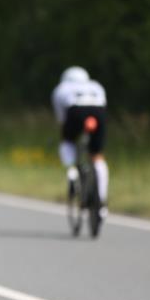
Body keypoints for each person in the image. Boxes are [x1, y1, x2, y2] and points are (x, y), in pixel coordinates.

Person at [51, 66, 108, 218]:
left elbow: (61, 119)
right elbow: (103, 104)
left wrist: (67, 132)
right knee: (97, 156)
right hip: (98, 113)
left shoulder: (61, 88)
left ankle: (71, 170)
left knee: (67, 142)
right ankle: (101, 202)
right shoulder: (96, 85)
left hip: (75, 111)